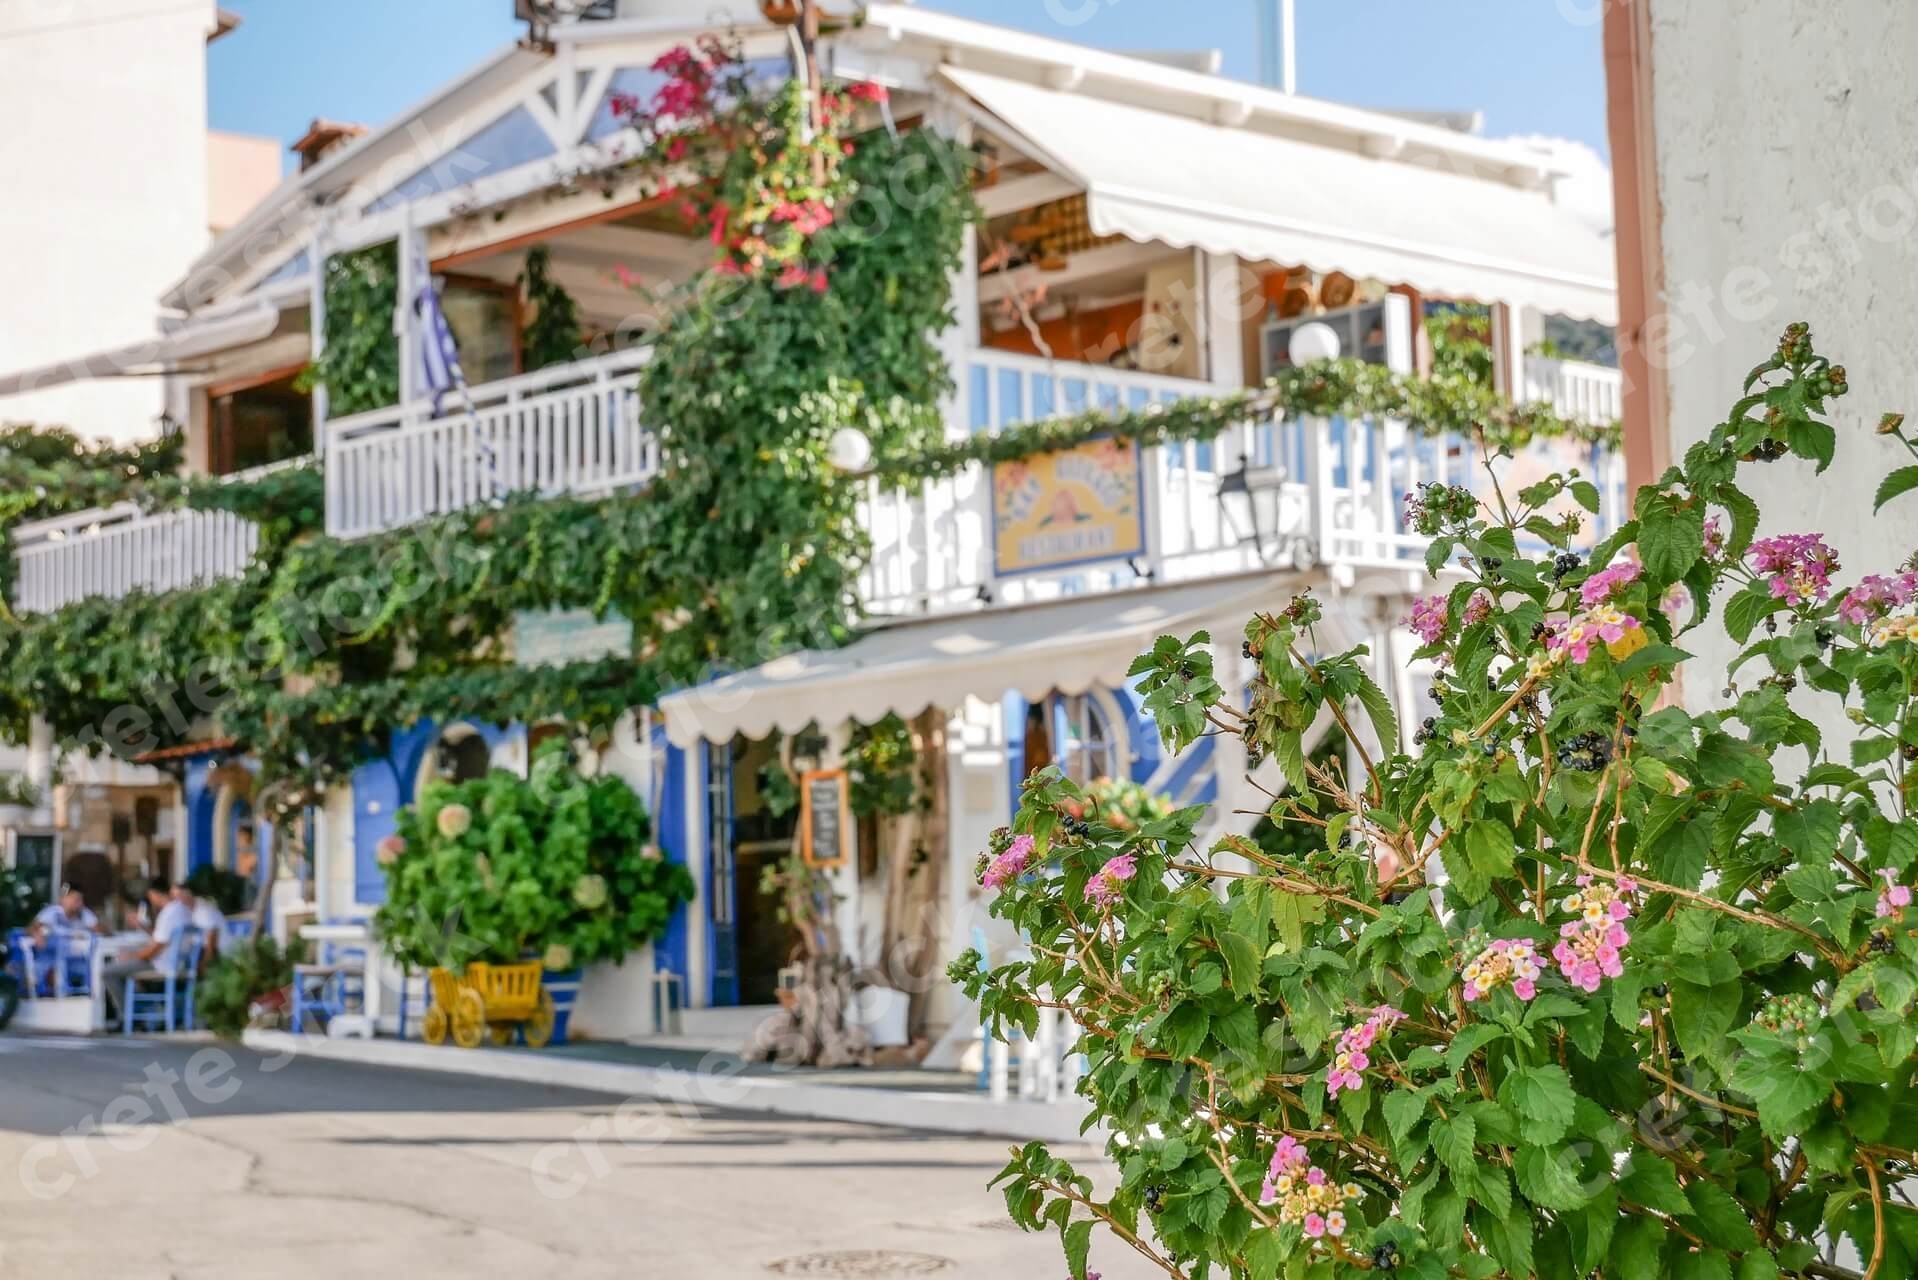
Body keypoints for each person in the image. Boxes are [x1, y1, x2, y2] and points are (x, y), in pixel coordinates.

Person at [101, 878, 191, 1029]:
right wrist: (143, 926)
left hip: (162, 966)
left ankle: (129, 1017)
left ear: (153, 894)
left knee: (108, 971)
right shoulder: (181, 910)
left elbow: (153, 950)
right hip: (178, 963)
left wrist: (131, 956)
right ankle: (141, 1013)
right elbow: (160, 936)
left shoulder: (168, 914)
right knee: (126, 964)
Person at [28, 886, 101, 995]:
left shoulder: (84, 913)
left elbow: (100, 930)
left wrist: (95, 927)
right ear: (63, 899)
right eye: (73, 899)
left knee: (94, 965)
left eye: (79, 899)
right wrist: (37, 934)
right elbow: (33, 927)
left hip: (77, 959)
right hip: (52, 958)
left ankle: (89, 993)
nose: (77, 902)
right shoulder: (53, 912)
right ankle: (60, 992)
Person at [174, 881, 225, 966]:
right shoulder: (191, 911)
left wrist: (204, 965)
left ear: (188, 894)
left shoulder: (203, 910)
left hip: (220, 955)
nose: (177, 901)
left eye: (178, 896)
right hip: (208, 953)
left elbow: (212, 939)